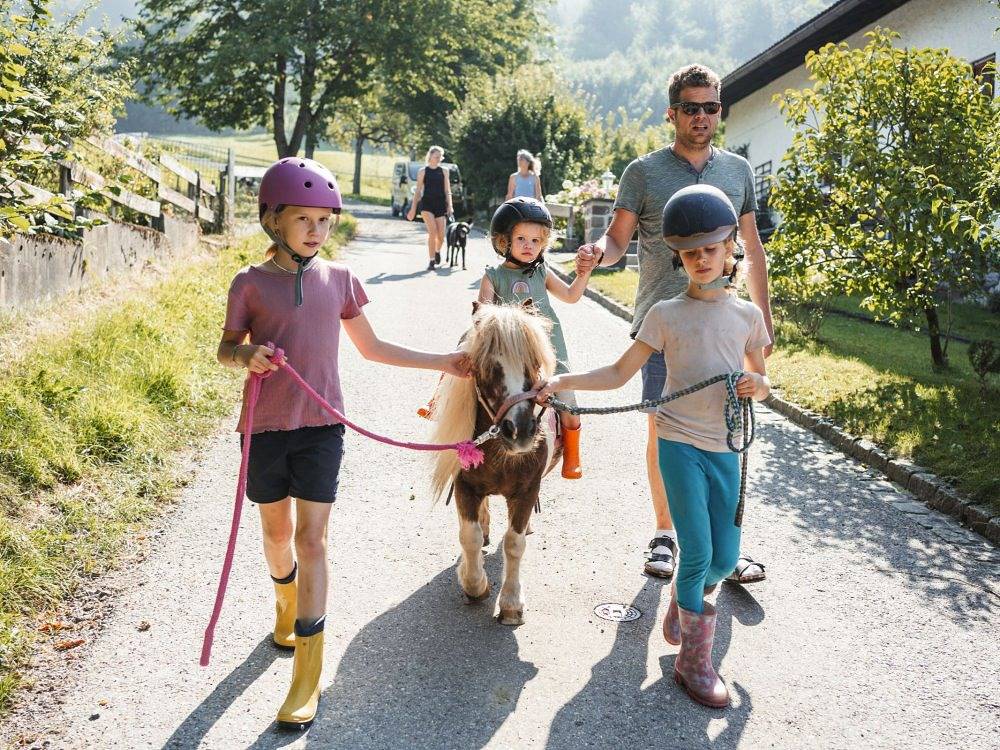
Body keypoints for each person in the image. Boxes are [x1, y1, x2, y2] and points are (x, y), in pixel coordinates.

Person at [218, 157, 470, 729]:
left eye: (325, 220)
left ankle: (307, 674)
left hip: (322, 428)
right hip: (264, 429)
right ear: (273, 220)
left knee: (312, 541)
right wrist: (245, 355)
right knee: (276, 534)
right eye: (303, 219)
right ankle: (285, 605)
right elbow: (226, 346)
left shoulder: (340, 280)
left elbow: (374, 348)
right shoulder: (250, 284)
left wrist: (446, 364)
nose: (316, 230)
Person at [539, 184, 771, 708]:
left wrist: (759, 387)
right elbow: (621, 373)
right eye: (690, 252)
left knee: (724, 558)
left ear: (731, 244)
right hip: (679, 444)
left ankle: (684, 601)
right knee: (698, 553)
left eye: (711, 248)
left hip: (726, 448)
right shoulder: (664, 314)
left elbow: (763, 377)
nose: (702, 259)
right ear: (677, 256)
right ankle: (694, 664)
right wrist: (559, 381)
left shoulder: (747, 317)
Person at [575, 63, 774, 584]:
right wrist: (599, 250)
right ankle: (665, 534)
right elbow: (618, 240)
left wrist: (765, 323)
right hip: (662, 324)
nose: (703, 116)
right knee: (666, 433)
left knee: (723, 432)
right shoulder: (642, 172)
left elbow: (751, 247)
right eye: (692, 107)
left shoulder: (738, 172)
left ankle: (717, 549)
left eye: (711, 107)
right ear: (672, 113)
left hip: (725, 324)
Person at [480, 197, 592, 478]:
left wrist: (584, 274)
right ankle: (438, 402)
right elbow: (481, 317)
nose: (528, 245)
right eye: (520, 238)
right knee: (463, 358)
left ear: (544, 243)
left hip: (549, 354)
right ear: (504, 241)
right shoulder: (493, 276)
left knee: (569, 403)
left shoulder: (542, 272)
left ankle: (572, 455)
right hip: (508, 355)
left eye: (535, 240)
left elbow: (570, 295)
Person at [406, 145, 454, 270]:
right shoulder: (423, 171)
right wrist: (412, 209)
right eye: (436, 156)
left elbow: (447, 190)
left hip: (440, 205)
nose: (438, 158)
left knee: (441, 236)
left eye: (440, 156)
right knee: (432, 231)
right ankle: (431, 261)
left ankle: (437, 251)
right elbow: (417, 192)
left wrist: (450, 205)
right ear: (430, 156)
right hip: (426, 205)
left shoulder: (444, 171)